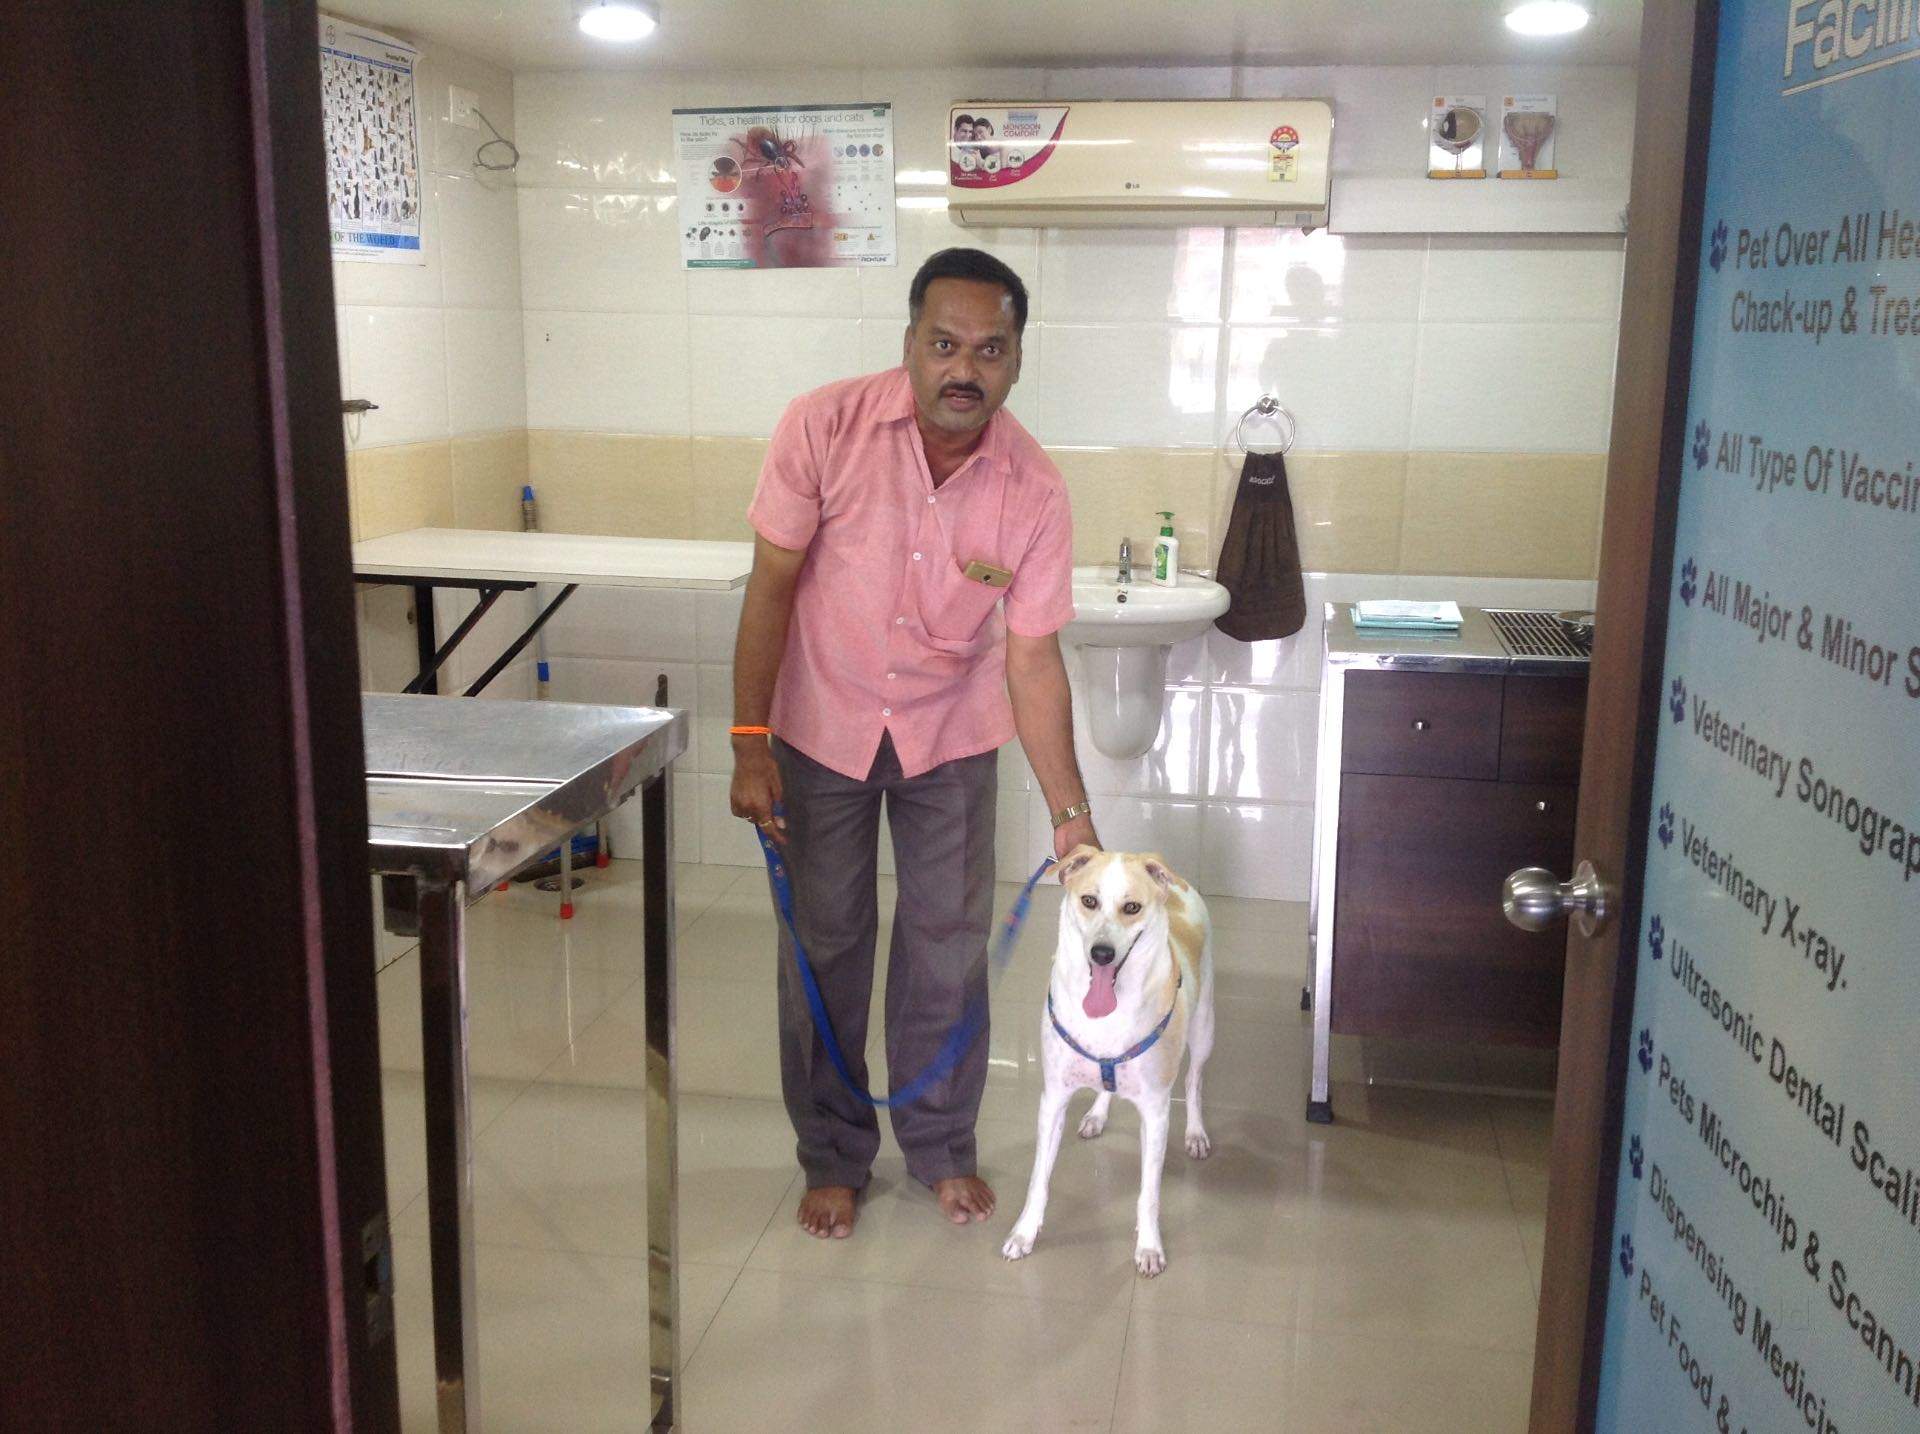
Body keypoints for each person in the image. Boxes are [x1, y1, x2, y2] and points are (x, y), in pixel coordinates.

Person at [730, 247, 1100, 1241]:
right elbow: (770, 589)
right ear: (909, 344)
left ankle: (939, 1144)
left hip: (950, 740)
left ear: (1017, 359)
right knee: (826, 946)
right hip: (820, 727)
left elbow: (1032, 658)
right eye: (944, 345)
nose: (964, 369)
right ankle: (833, 1154)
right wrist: (750, 742)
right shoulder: (824, 426)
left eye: (990, 349)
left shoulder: (1033, 488)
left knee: (946, 949)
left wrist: (1071, 814)